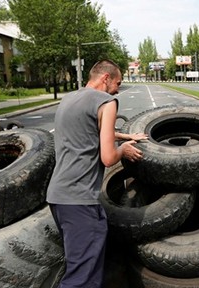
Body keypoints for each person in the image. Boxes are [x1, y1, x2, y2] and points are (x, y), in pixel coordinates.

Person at [46, 59, 147, 288]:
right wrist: (124, 149)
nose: (118, 88)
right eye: (118, 83)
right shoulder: (107, 101)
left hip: (58, 197)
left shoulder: (70, 99)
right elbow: (108, 157)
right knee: (82, 280)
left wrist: (124, 136)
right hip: (79, 199)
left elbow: (88, 131)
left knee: (79, 267)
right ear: (105, 78)